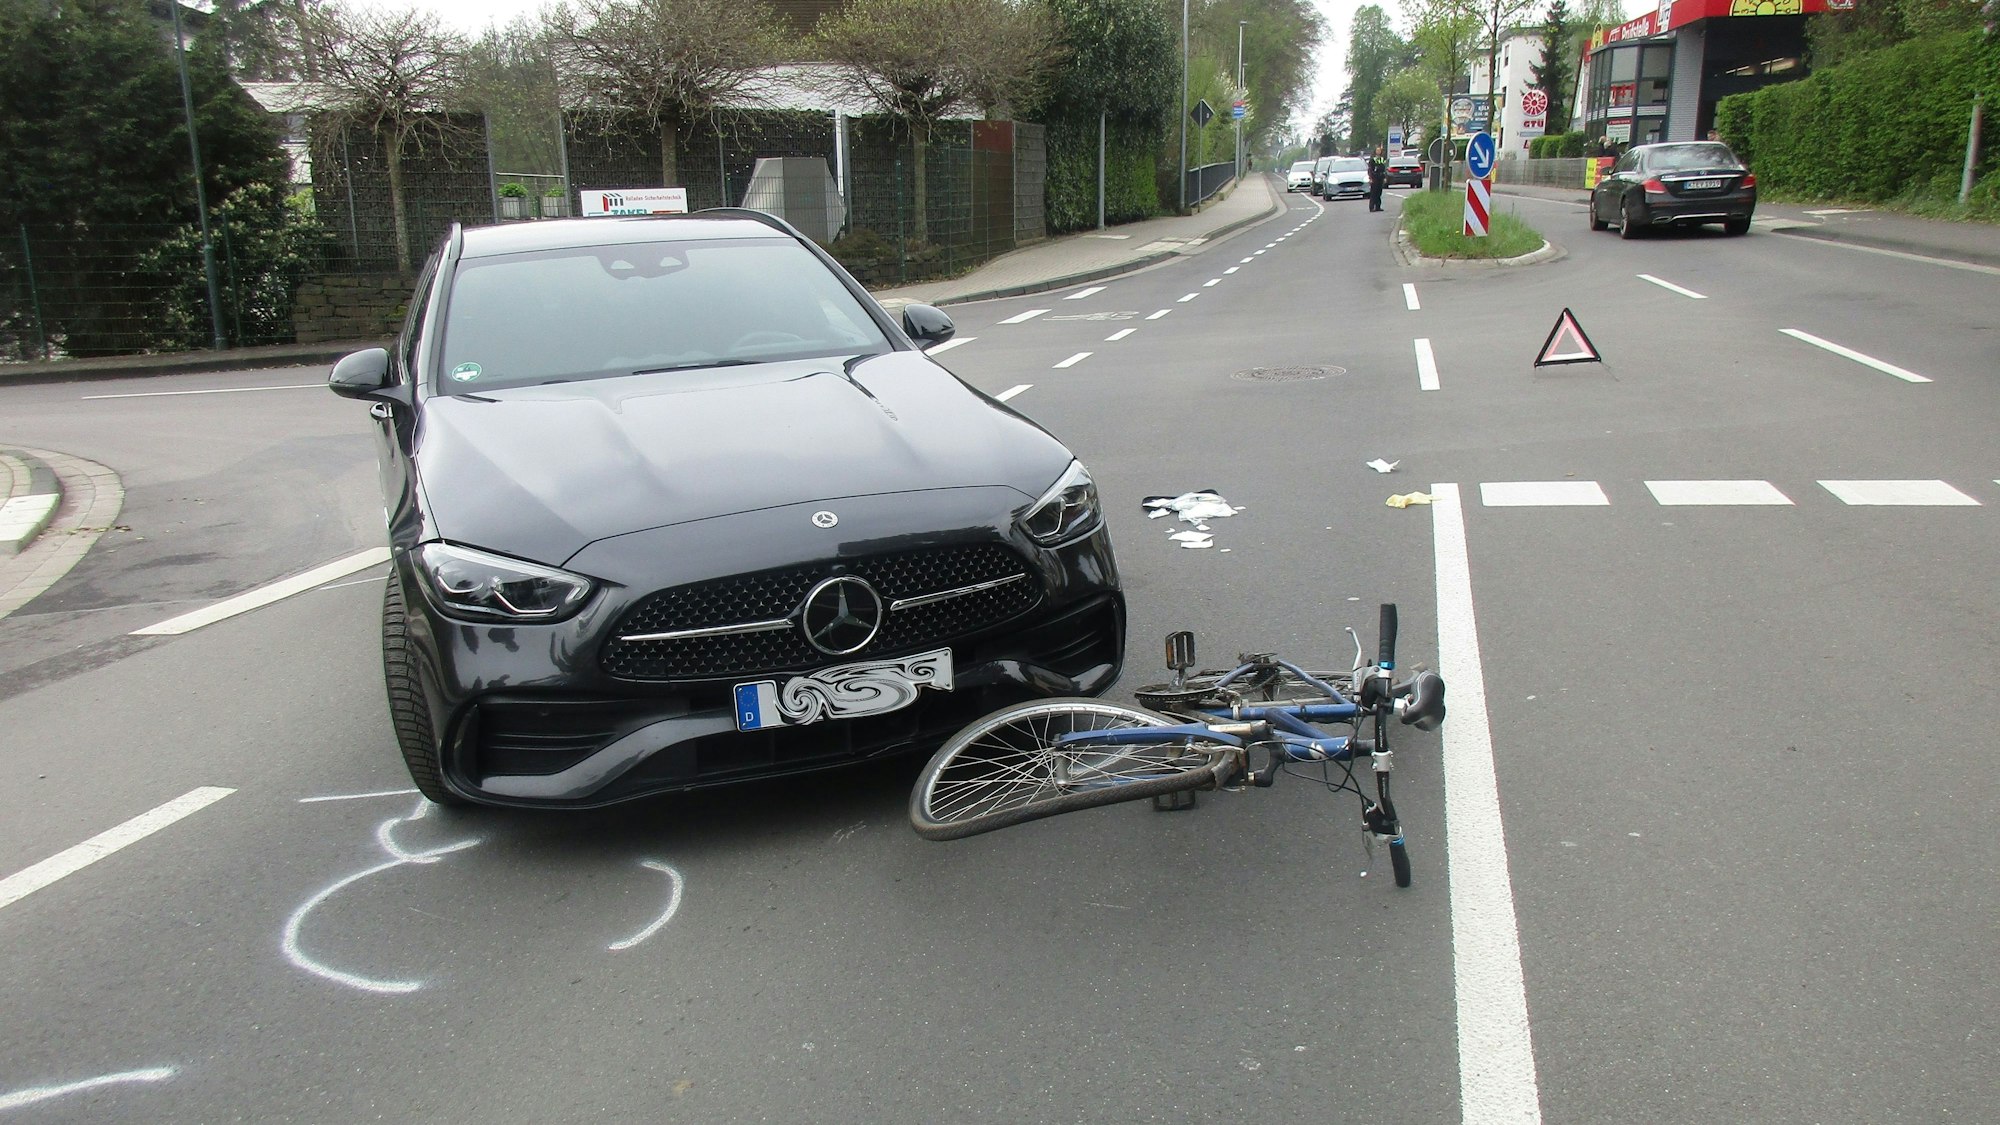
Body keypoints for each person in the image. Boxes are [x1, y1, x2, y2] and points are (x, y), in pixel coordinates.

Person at [1366, 148, 1388, 212]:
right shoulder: (1372, 159)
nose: (1378, 151)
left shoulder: (1382, 159)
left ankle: (1378, 207)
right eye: (1377, 150)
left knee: (1379, 193)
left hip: (1380, 178)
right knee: (1373, 193)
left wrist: (1384, 177)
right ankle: (1372, 207)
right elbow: (1370, 169)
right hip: (1374, 177)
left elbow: (1384, 169)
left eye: (1379, 150)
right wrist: (1370, 178)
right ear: (1375, 151)